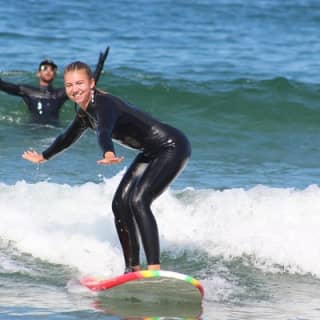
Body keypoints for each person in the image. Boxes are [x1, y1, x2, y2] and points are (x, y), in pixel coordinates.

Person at [22, 61, 191, 273]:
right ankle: (133, 268)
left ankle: (154, 269)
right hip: (150, 152)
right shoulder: (84, 112)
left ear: (91, 83)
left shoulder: (104, 104)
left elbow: (104, 130)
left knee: (139, 200)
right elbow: (67, 137)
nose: (74, 89)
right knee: (120, 203)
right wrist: (44, 156)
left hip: (171, 146)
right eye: (69, 85)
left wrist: (108, 152)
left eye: (79, 83)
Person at [0, 47, 109, 125]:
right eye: (44, 68)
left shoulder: (59, 94)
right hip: (32, 128)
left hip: (53, 130)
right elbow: (3, 85)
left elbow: (87, 85)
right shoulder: (27, 90)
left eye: (52, 69)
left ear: (55, 74)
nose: (49, 71)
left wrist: (100, 66)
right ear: (38, 73)